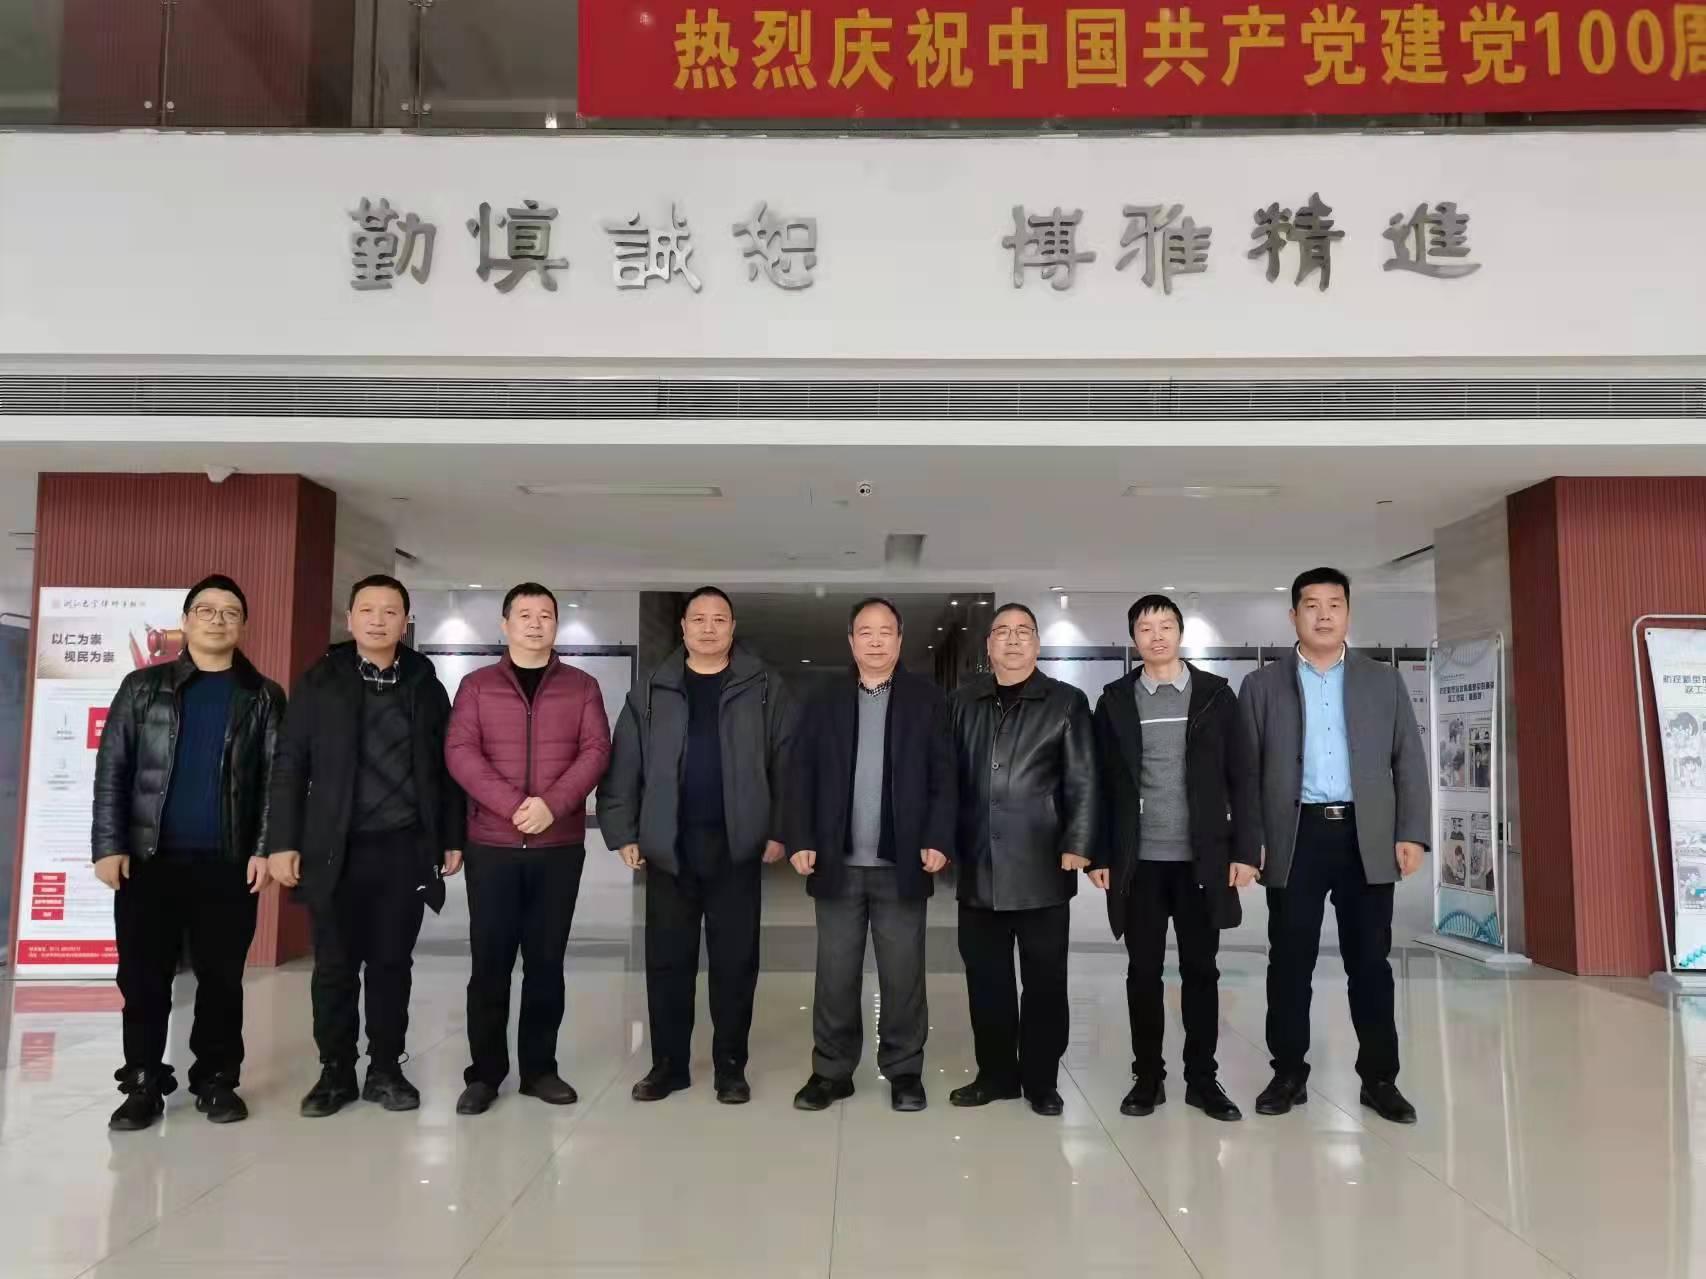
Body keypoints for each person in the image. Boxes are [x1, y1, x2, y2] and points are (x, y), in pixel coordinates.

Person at [268, 574, 466, 1118]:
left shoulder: (425, 683)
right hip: (335, 849)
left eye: (390, 611)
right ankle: (335, 1072)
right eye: (368, 610)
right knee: (334, 966)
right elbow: (289, 765)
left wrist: (451, 837)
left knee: (391, 964)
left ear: (406, 621)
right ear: (350, 618)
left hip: (404, 848)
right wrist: (282, 841)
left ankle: (385, 1069)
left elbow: (445, 769)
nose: (379, 620)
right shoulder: (320, 681)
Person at [92, 575, 285, 1130]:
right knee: (142, 978)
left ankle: (216, 1079)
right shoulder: (142, 687)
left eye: (230, 612)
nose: (218, 620)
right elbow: (113, 769)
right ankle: (143, 1081)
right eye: (206, 610)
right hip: (148, 860)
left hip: (228, 862)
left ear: (243, 625)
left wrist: (265, 848)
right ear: (186, 620)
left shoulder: (263, 695)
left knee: (221, 979)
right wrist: (108, 844)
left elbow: (276, 781)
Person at [1237, 567, 1429, 1125]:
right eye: (1312, 605)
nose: (1323, 615)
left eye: (1334, 604)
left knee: (1369, 963)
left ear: (1348, 612)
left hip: (1364, 836)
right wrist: (1251, 842)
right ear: (1293, 615)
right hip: (1293, 837)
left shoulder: (1382, 681)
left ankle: (1380, 1079)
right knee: (1288, 962)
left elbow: (1408, 760)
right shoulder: (1262, 685)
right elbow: (1245, 773)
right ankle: (1288, 1074)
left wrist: (1411, 831)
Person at [597, 587, 795, 1105]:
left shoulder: (764, 686)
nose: (709, 628)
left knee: (735, 964)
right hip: (669, 849)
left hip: (736, 849)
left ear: (733, 627)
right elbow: (625, 764)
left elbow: (786, 761)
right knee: (668, 964)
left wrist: (780, 829)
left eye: (719, 619)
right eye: (699, 619)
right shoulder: (652, 689)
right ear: (683, 628)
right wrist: (624, 831)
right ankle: (669, 1066)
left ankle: (731, 1067)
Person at [444, 583, 611, 1115]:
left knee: (546, 963)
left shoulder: (582, 687)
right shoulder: (476, 686)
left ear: (556, 624)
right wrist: (515, 805)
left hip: (557, 846)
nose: (535, 623)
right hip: (492, 845)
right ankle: (485, 1074)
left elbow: (596, 751)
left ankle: (540, 1069)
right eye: (525, 615)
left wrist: (552, 806)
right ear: (505, 624)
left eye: (545, 615)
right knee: (489, 964)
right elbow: (460, 751)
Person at [1090, 594, 1255, 1123]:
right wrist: (1099, 854)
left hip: (1201, 860)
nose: (1156, 635)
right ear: (1133, 639)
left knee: (1201, 970)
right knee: (1142, 972)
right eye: (1145, 628)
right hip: (1139, 862)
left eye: (1165, 625)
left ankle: (1203, 1079)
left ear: (1180, 632)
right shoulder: (1115, 700)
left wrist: (1245, 850)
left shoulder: (1216, 696)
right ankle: (1148, 1078)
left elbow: (1243, 777)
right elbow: (1099, 783)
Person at [788, 598, 956, 1113]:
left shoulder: (927, 699)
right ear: (851, 641)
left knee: (903, 976)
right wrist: (800, 838)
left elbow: (945, 777)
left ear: (900, 640)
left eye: (886, 631)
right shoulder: (823, 699)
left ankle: (904, 1072)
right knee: (834, 975)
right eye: (866, 631)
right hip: (836, 863)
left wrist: (939, 837)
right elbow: (800, 773)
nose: (876, 640)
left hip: (901, 864)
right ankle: (831, 1071)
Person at [947, 603, 1097, 1117]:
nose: (1013, 641)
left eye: (1023, 632)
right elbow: (945, 780)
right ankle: (994, 1075)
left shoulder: (1067, 702)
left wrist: (1078, 842)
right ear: (988, 645)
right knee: (985, 981)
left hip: (1043, 864)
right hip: (979, 864)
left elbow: (1083, 778)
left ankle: (1041, 1080)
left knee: (1045, 982)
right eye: (1002, 632)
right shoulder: (961, 702)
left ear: (1037, 643)